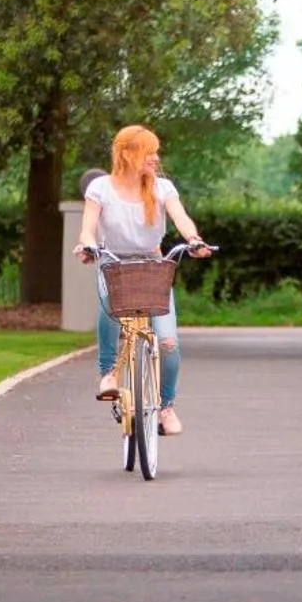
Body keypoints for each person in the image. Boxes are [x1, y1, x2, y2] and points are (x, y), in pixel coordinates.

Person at [74, 125, 211, 436]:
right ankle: (108, 373)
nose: (155, 157)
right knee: (109, 303)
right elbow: (88, 228)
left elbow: (181, 217)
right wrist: (87, 246)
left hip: (152, 266)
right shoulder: (100, 188)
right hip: (114, 264)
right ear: (126, 154)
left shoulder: (162, 189)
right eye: (148, 151)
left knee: (168, 342)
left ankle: (166, 407)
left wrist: (193, 239)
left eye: (156, 151)